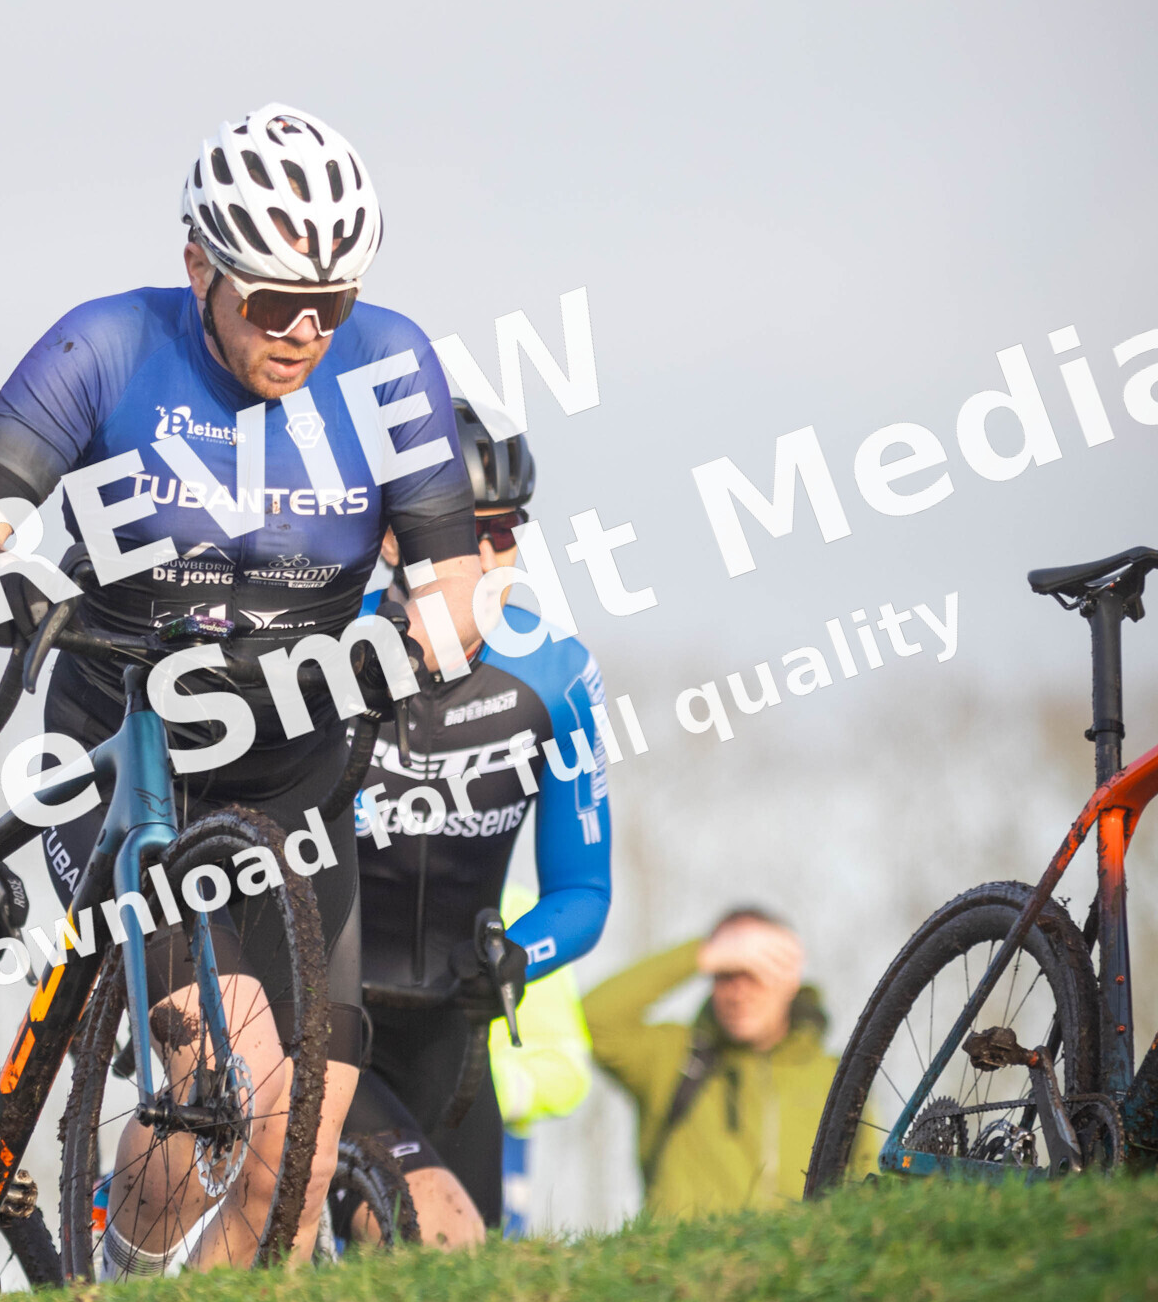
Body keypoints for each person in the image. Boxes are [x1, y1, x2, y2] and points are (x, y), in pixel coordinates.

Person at [0, 103, 481, 1271]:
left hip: (293, 765)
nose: (304, 331)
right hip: (122, 752)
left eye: (328, 304)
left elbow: (451, 577)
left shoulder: (391, 361)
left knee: (306, 1147)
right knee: (224, 1066)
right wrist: (4, 583)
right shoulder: (109, 344)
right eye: (271, 303)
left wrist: (430, 629)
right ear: (197, 268)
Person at [346, 404, 610, 1244]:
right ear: (394, 539)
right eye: (467, 532)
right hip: (316, 1016)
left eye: (508, 530)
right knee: (421, 1232)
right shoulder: (321, 651)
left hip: (450, 1034)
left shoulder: (558, 673)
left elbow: (582, 891)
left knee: (464, 1291)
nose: (493, 556)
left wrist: (519, 953)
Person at [582, 909, 839, 1217]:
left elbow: (868, 1187)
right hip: (676, 1263)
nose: (739, 993)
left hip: (804, 1262)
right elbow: (594, 1019)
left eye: (754, 972)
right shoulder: (674, 1057)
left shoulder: (834, 1077)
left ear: (790, 977)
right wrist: (700, 954)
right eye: (725, 974)